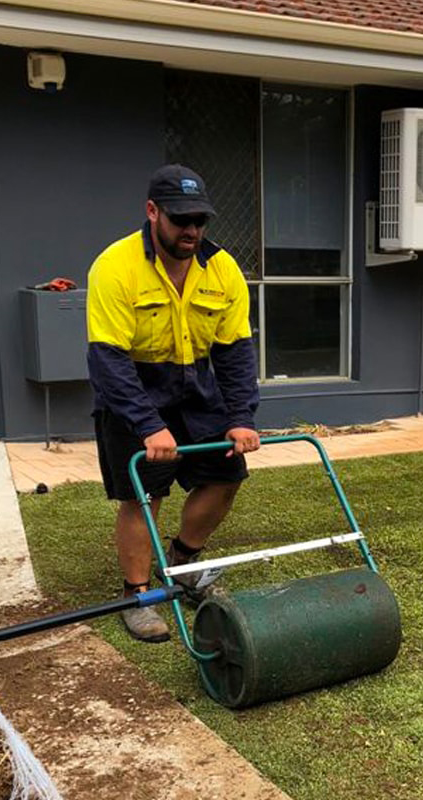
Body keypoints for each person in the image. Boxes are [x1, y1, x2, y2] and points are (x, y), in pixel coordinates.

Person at [86, 164, 260, 643]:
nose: (192, 230)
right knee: (144, 494)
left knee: (226, 476)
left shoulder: (221, 269)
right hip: (135, 384)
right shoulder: (115, 267)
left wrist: (241, 417)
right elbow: (108, 359)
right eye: (181, 219)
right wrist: (147, 424)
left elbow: (235, 351)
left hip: (196, 383)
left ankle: (181, 563)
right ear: (152, 212)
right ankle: (137, 595)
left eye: (200, 220)